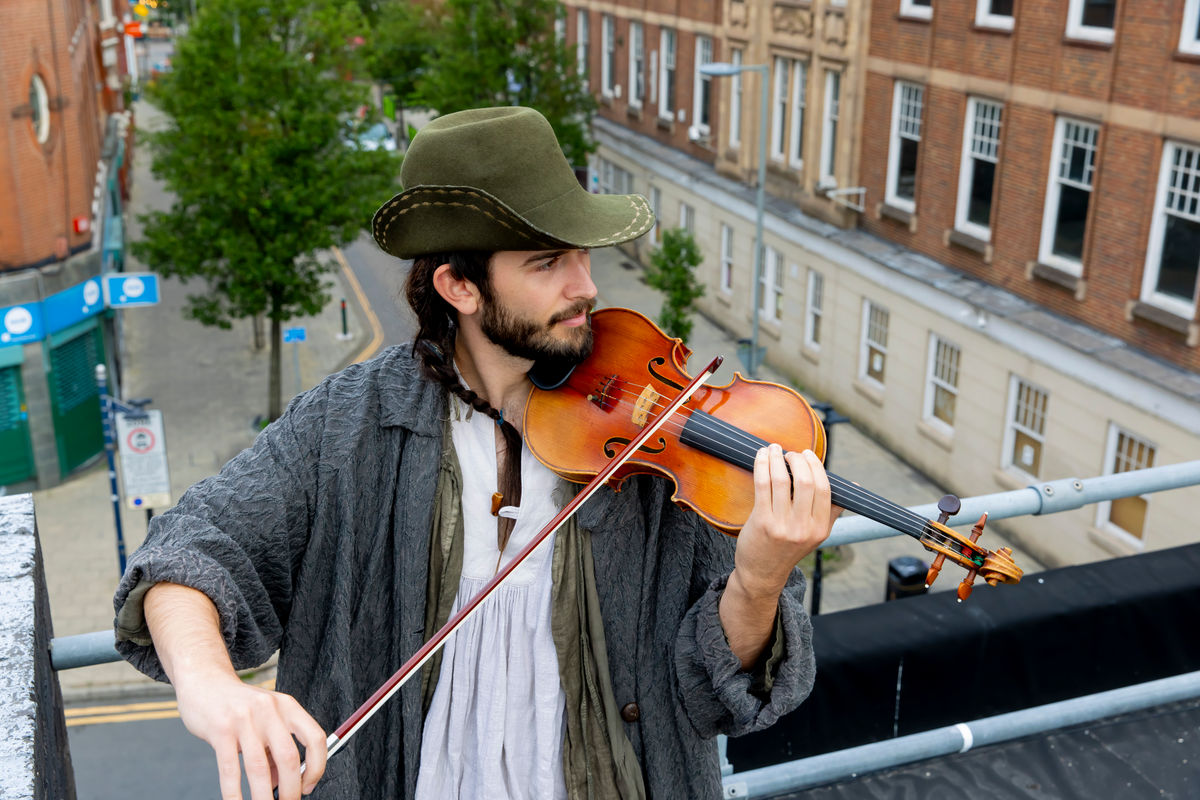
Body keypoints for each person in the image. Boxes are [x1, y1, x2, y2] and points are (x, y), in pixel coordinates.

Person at [113, 106, 836, 800]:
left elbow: (716, 694)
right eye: (547, 262)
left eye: (583, 256)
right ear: (459, 285)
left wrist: (760, 582)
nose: (585, 288)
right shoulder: (351, 421)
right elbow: (190, 553)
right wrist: (214, 691)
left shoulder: (654, 443)